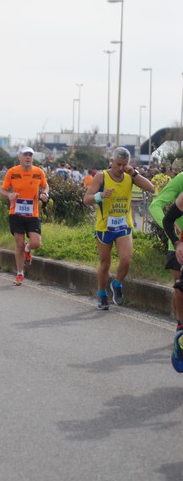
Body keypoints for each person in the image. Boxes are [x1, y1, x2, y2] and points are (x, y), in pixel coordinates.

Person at [84, 147, 155, 309]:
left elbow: (150, 187)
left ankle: (117, 284)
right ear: (112, 161)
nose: (121, 168)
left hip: (124, 225)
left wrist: (134, 173)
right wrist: (100, 196)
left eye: (124, 165)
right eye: (118, 164)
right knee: (105, 262)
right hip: (105, 226)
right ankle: (102, 294)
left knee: (126, 259)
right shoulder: (102, 176)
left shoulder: (130, 177)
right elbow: (86, 199)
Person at [149, 171, 183, 372]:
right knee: (180, 290)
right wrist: (175, 237)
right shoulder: (180, 179)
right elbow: (155, 206)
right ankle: (180, 327)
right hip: (179, 247)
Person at [0, 146, 49, 286]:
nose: (28, 157)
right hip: (15, 213)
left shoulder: (38, 172)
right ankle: (20, 274)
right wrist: (9, 195)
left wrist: (45, 194)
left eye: (30, 155)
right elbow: (2, 191)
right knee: (19, 244)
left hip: (32, 214)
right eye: (25, 155)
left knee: (36, 243)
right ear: (19, 157)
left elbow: (46, 186)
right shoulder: (12, 172)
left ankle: (28, 249)